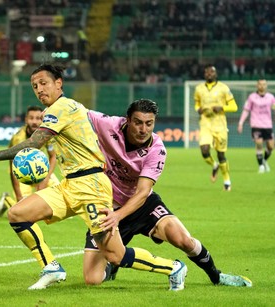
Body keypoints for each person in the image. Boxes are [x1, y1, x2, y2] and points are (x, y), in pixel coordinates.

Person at [0, 64, 188, 291]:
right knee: (17, 214)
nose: (39, 89)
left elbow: (35, 143)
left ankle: (173, 268)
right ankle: (51, 267)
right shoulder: (64, 109)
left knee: (115, 255)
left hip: (92, 186)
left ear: (58, 84)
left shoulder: (61, 107)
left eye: (44, 83)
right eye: (35, 86)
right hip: (70, 184)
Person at [83, 99, 252, 287]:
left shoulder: (156, 149)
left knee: (183, 239)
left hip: (142, 205)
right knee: (92, 279)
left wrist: (118, 216)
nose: (143, 129)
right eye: (138, 122)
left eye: (149, 123)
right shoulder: (108, 124)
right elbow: (76, 111)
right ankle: (113, 265)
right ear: (127, 120)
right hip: (107, 206)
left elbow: (142, 192)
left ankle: (217, 276)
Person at [0, 105, 60, 218]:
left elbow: (53, 157)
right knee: (25, 211)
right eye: (31, 118)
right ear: (26, 120)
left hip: (40, 169)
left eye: (38, 118)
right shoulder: (18, 139)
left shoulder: (46, 134)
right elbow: (13, 168)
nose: (34, 122)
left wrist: (45, 180)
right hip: (22, 173)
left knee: (59, 200)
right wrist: (19, 195)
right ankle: (7, 199)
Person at [194, 65, 238, 191]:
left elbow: (234, 106)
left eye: (212, 72)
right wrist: (198, 109)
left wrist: (222, 108)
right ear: (204, 74)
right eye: (207, 72)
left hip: (220, 124)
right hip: (205, 123)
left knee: (221, 154)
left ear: (216, 74)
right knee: (204, 150)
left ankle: (227, 180)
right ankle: (214, 165)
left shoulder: (223, 88)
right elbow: (197, 103)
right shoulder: (199, 89)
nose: (209, 74)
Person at [237, 79, 275, 173]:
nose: (262, 86)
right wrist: (241, 123)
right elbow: (246, 110)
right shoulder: (251, 97)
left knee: (271, 146)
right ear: (257, 86)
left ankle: (264, 161)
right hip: (256, 124)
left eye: (264, 84)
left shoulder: (270, 97)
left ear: (266, 86)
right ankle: (261, 166)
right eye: (260, 84)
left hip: (268, 125)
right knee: (259, 143)